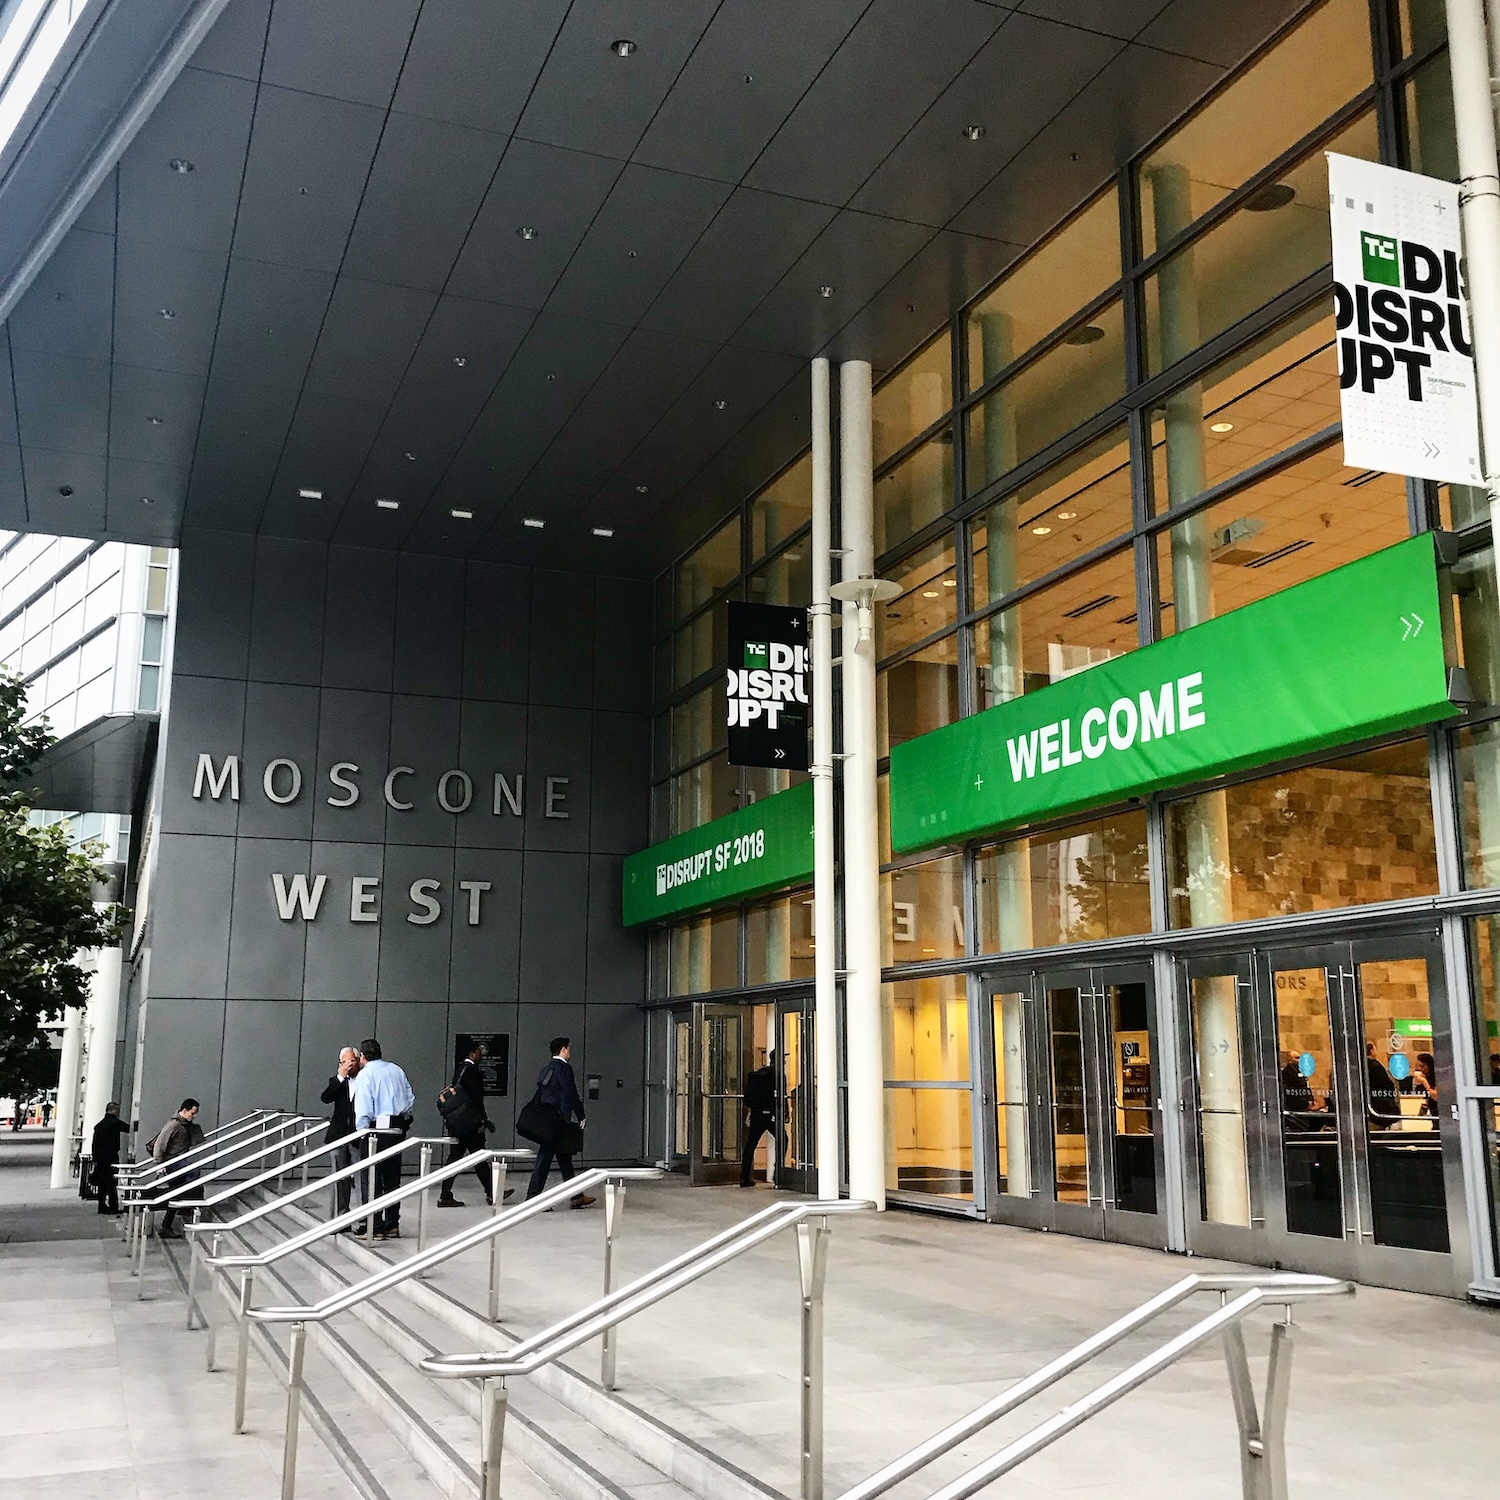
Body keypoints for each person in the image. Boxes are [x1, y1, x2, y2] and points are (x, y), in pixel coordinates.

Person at [351, 1038, 415, 1240]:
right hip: (397, 1126)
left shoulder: (366, 1074)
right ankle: (391, 1223)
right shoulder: (396, 1070)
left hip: (375, 1128)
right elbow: (409, 1099)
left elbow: (363, 1108)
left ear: (362, 1056)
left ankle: (374, 1225)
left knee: (371, 1177)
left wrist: (361, 1131)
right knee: (392, 1177)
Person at [525, 1037, 595, 1207]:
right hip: (559, 1120)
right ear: (563, 1049)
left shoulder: (547, 1069)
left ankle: (576, 1195)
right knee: (545, 1157)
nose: (570, 1052)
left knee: (564, 1157)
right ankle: (533, 1197)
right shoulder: (564, 1069)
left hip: (548, 1119)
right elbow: (571, 1094)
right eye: (569, 1049)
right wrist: (581, 1115)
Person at [438, 1041, 499, 1208]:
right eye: (479, 1052)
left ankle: (446, 1194)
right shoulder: (472, 1072)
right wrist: (484, 1119)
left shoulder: (460, 1070)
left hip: (458, 1123)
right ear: (473, 1053)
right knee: (477, 1157)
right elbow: (476, 1099)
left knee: (462, 1158)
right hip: (470, 1124)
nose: (481, 1055)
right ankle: (491, 1192)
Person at [151, 1099, 204, 1238]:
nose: (194, 1116)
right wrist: (159, 1164)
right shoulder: (174, 1124)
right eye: (192, 1113)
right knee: (194, 1172)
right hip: (173, 1162)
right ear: (184, 1110)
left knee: (174, 1194)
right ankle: (186, 1203)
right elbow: (160, 1144)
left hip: (178, 1161)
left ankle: (166, 1226)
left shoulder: (184, 1125)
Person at [320, 1047, 362, 1220]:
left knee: (361, 1177)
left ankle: (362, 1218)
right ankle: (341, 1216)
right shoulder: (337, 1081)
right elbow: (325, 1097)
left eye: (353, 1060)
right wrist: (340, 1076)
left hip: (358, 1134)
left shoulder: (365, 1079)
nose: (349, 1064)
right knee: (339, 1177)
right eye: (346, 1061)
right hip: (338, 1134)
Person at [740, 1052, 779, 1188]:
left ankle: (744, 1177)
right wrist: (783, 1113)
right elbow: (779, 1097)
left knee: (751, 1144)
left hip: (757, 1114)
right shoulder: (778, 1076)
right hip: (769, 1116)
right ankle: (778, 1173)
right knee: (783, 1140)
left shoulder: (759, 1074)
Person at [90, 1102, 129, 1215]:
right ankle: (113, 1206)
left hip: (100, 1157)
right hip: (111, 1156)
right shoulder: (115, 1123)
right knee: (112, 1182)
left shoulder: (99, 1125)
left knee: (102, 1183)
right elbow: (129, 1128)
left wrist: (95, 1158)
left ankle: (101, 1205)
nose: (118, 1112)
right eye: (117, 1110)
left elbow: (94, 1144)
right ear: (113, 1110)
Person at [1366, 1041, 1401, 1123]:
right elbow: (1386, 1084)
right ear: (1372, 1051)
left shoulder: (1361, 1065)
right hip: (1379, 1104)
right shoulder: (1376, 1066)